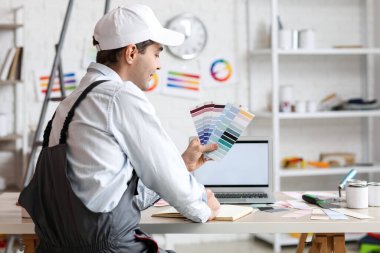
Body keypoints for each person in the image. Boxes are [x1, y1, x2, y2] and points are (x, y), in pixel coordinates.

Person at [18, 4, 220, 253]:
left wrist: (183, 165)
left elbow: (110, 195)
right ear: (132, 52)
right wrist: (203, 208)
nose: (158, 65)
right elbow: (167, 177)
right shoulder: (119, 96)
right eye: (157, 54)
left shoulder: (70, 103)